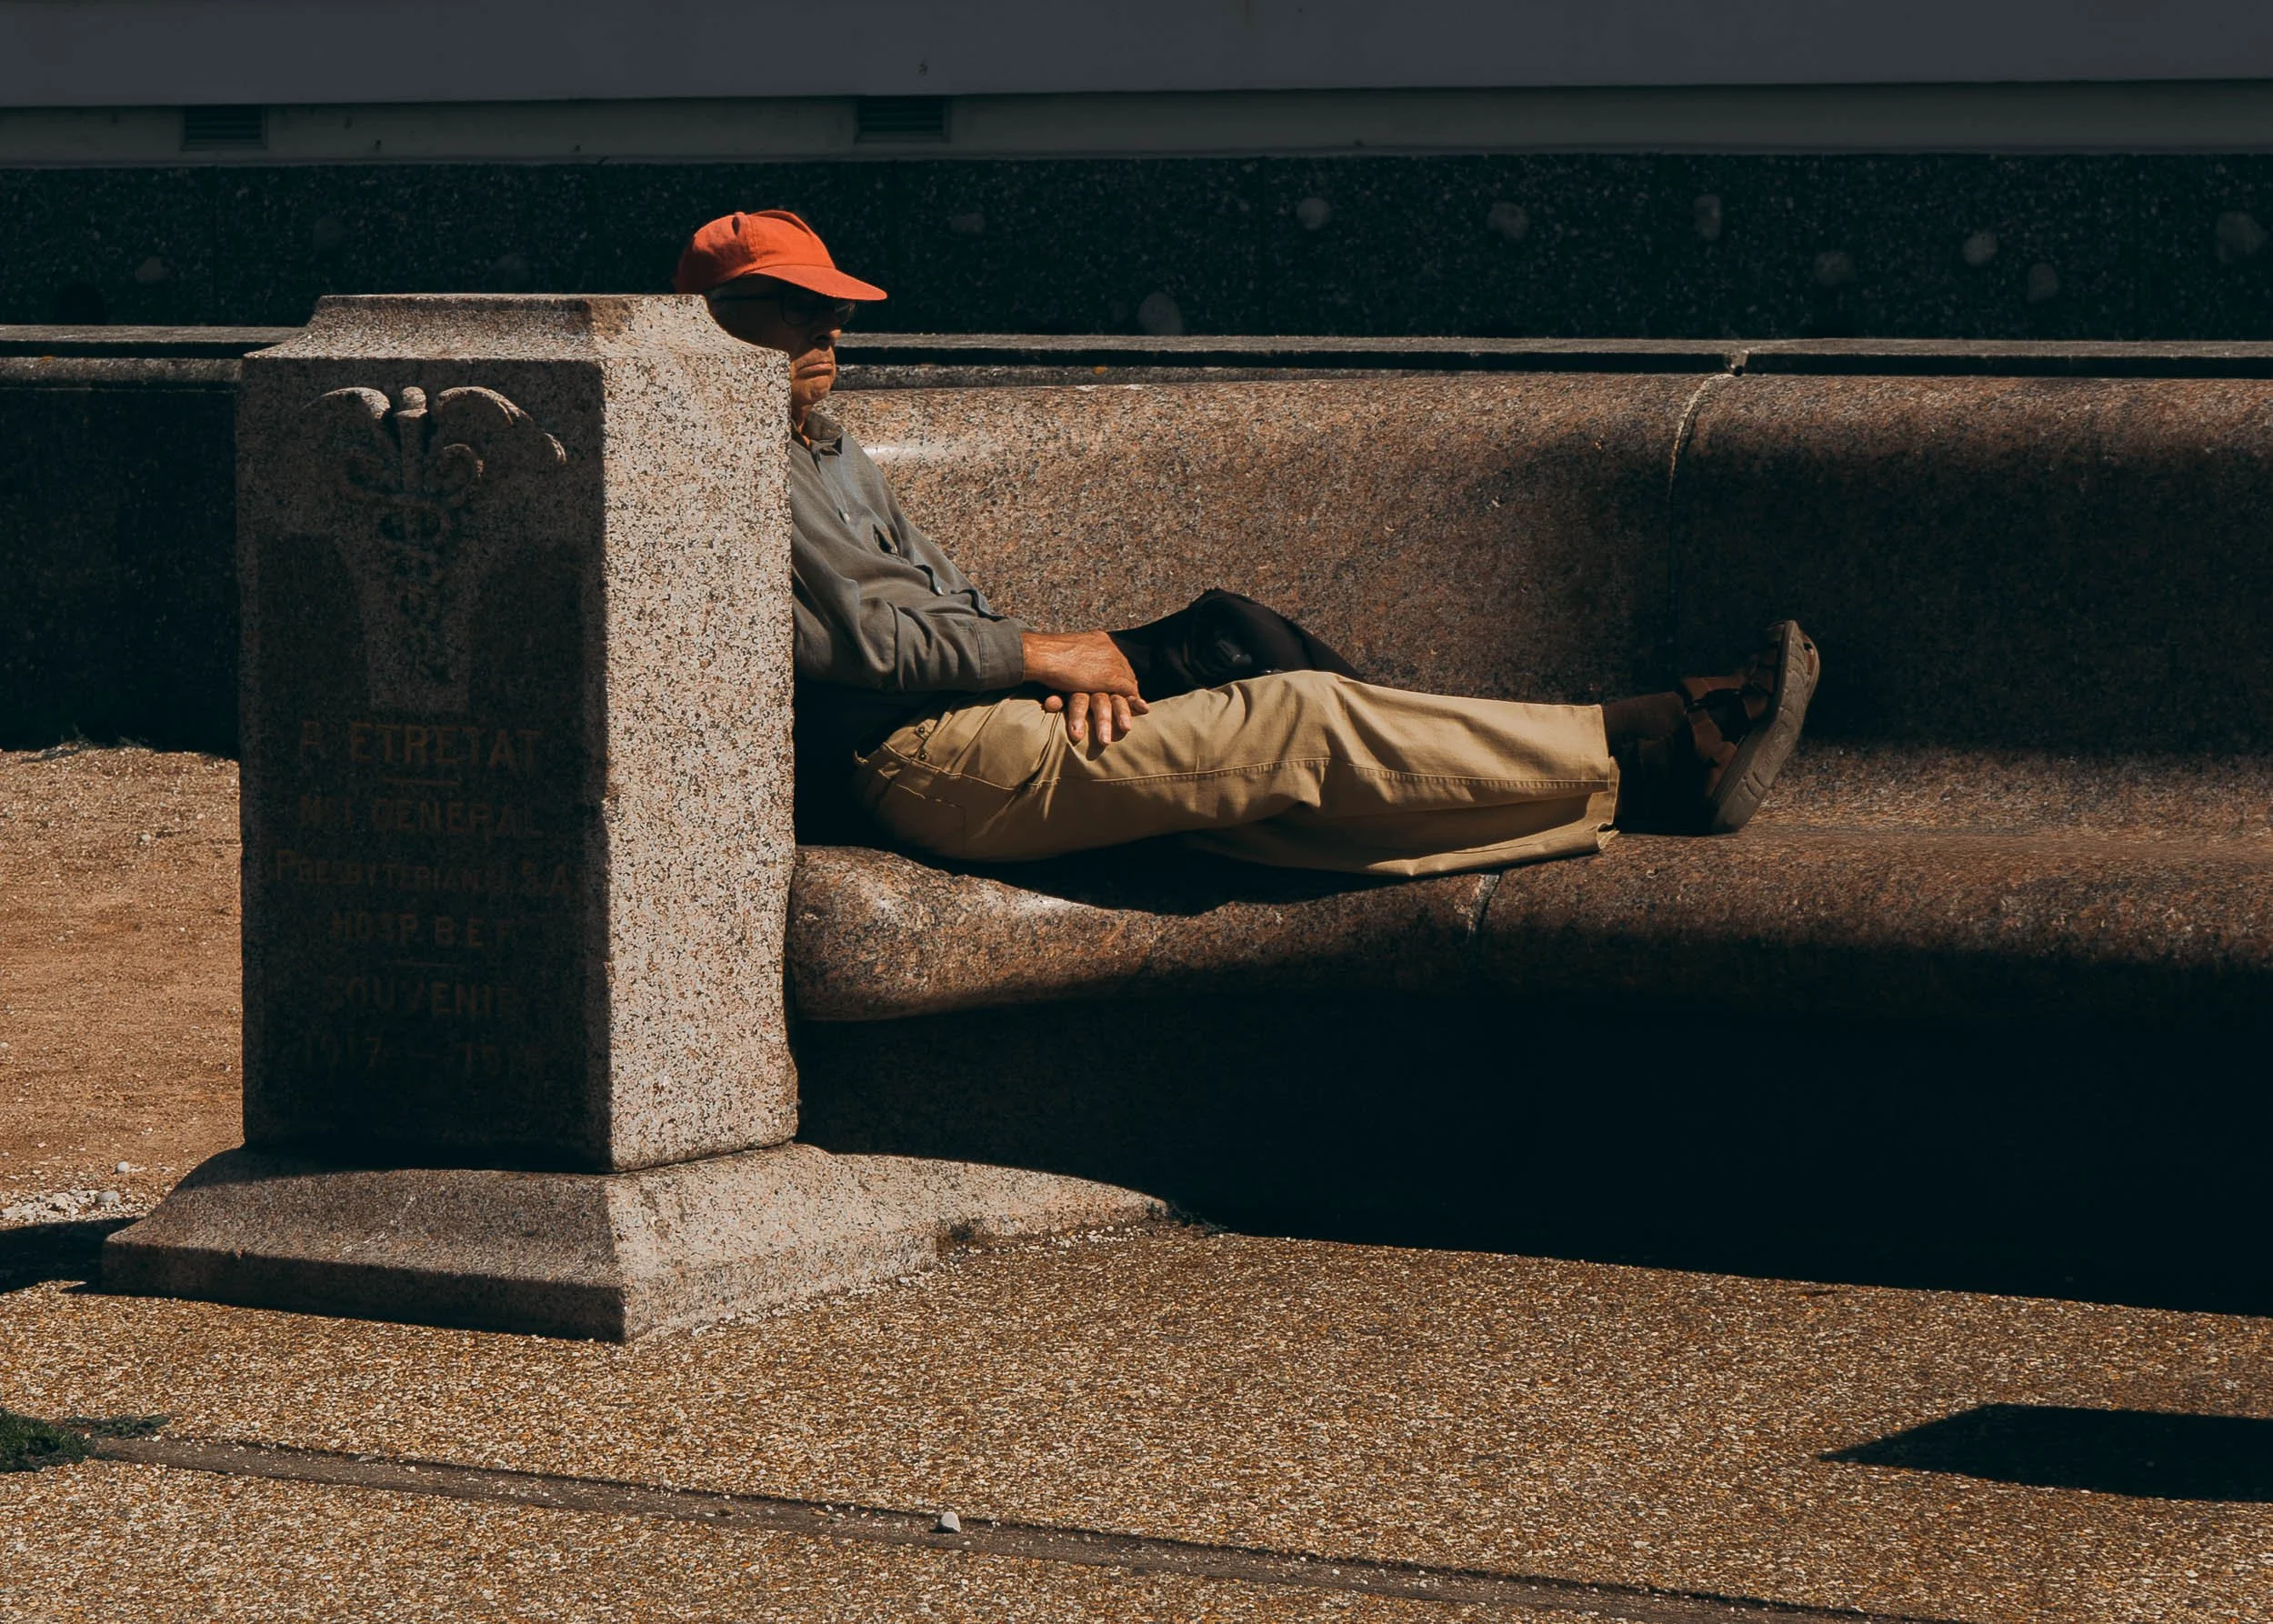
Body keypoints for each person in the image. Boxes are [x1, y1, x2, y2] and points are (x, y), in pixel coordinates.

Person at [674, 209, 1819, 877]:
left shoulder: (829, 447)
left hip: (981, 720)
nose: (834, 324)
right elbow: (846, 644)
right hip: (913, 762)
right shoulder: (709, 472)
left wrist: (1049, 678)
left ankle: (1631, 782)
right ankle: (1652, 744)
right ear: (710, 324)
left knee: (1253, 704)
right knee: (1296, 717)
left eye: (835, 304)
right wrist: (1041, 657)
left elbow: (945, 604)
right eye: (798, 306)